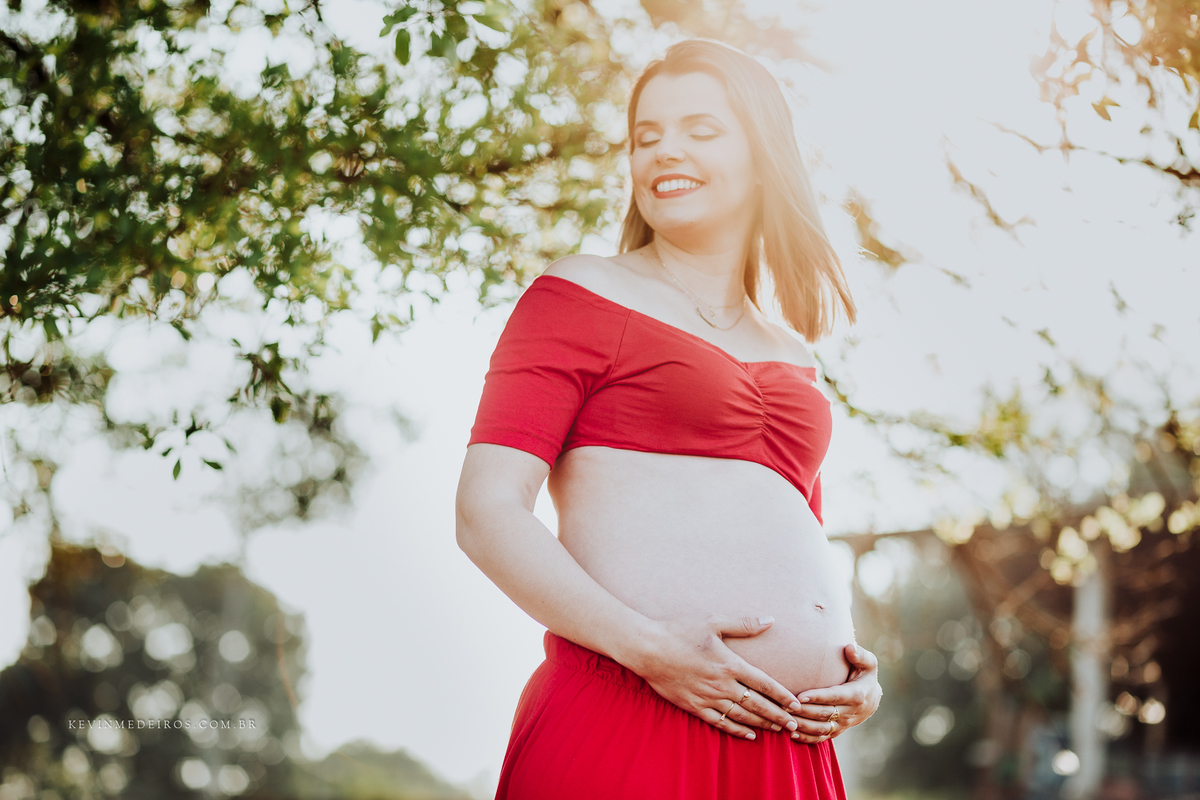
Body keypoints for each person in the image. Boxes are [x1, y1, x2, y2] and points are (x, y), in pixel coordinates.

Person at [455, 38, 881, 799]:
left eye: (699, 130)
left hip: (786, 746)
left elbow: (789, 544)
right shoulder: (577, 295)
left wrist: (851, 669)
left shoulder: (795, 353)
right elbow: (486, 513)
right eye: (646, 136)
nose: (664, 151)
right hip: (629, 713)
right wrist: (653, 651)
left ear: (764, 156)